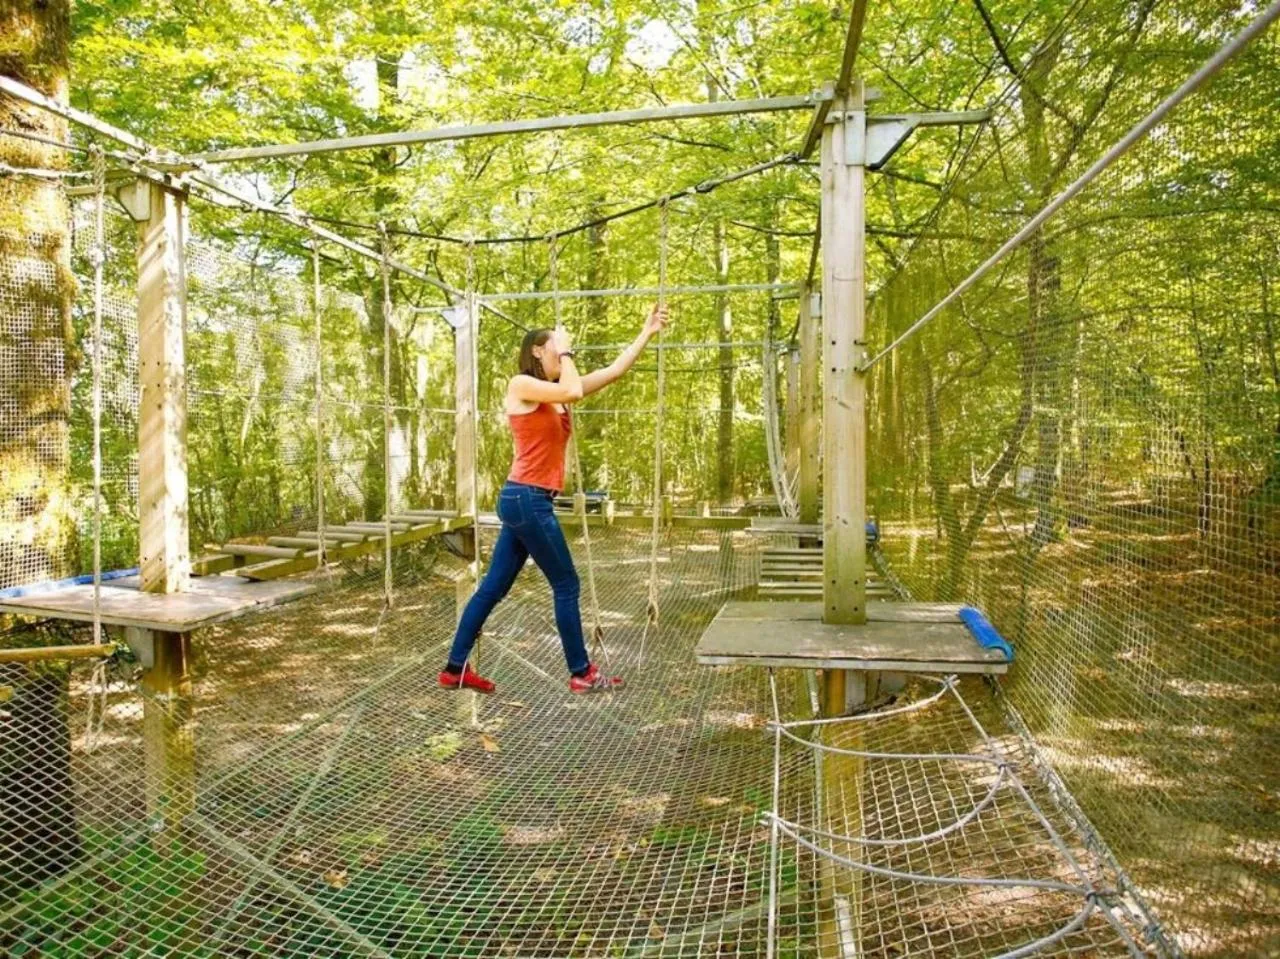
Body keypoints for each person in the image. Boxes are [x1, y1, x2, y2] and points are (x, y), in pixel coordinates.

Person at [439, 304, 670, 695]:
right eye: (554, 349)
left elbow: (614, 372)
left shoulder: (557, 395)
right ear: (537, 352)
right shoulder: (521, 385)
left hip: (525, 500)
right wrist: (565, 351)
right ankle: (581, 672)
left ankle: (454, 668)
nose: (562, 355)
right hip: (526, 498)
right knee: (566, 583)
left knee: (493, 588)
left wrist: (646, 333)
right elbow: (574, 388)